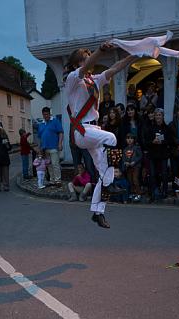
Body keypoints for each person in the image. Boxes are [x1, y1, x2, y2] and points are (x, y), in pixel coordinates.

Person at [65, 43, 136, 228]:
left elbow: (115, 68)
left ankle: (98, 213)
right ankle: (109, 185)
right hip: (81, 131)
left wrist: (134, 55)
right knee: (111, 138)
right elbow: (86, 67)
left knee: (105, 174)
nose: (89, 61)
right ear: (76, 64)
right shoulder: (73, 79)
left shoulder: (94, 80)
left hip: (93, 131)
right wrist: (101, 51)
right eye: (84, 58)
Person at [146, 108, 171, 201]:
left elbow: (169, 141)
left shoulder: (167, 128)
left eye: (160, 115)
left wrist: (162, 142)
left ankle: (165, 191)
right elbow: (146, 142)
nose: (158, 117)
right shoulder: (150, 128)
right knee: (152, 174)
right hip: (152, 154)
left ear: (163, 116)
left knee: (164, 174)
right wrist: (153, 141)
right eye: (156, 115)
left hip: (163, 154)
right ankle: (153, 192)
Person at [37, 107, 63, 186]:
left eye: (47, 114)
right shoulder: (41, 124)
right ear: (42, 114)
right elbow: (40, 137)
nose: (46, 116)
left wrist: (60, 143)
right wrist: (40, 148)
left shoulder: (55, 121)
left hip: (54, 146)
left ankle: (58, 180)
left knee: (55, 164)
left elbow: (61, 133)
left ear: (49, 113)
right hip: (45, 148)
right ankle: (52, 180)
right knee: (49, 165)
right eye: (44, 114)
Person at [122, 133, 142, 201]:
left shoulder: (137, 147)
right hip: (128, 167)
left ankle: (138, 193)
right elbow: (124, 157)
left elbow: (140, 156)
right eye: (128, 138)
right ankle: (133, 193)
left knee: (135, 179)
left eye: (131, 138)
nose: (129, 140)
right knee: (130, 180)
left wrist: (134, 162)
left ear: (134, 139)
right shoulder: (125, 149)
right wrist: (125, 162)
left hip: (136, 166)